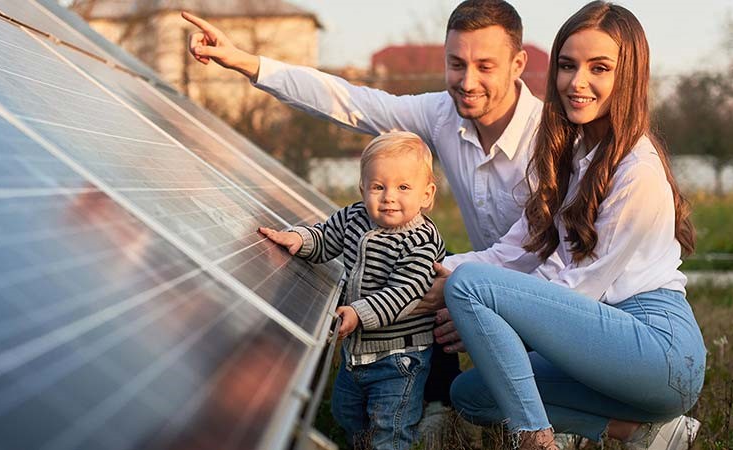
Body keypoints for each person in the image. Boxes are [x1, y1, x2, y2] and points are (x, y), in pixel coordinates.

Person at [183, 0, 545, 431]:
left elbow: (540, 248)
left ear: (518, 63)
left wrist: (460, 285)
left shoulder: (548, 137)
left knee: (434, 282)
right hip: (484, 280)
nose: (467, 81)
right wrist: (245, 62)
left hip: (558, 291)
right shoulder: (442, 115)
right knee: (423, 289)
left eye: (485, 66)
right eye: (456, 64)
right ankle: (430, 405)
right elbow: (350, 101)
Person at [421, 2, 707, 449]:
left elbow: (576, 289)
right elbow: (513, 252)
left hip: (658, 351)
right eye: (568, 65)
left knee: (472, 289)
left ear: (628, 76)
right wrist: (430, 273)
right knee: (473, 395)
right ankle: (642, 432)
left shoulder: (638, 172)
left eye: (599, 68)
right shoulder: (574, 156)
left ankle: (536, 440)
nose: (577, 82)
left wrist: (482, 307)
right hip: (602, 341)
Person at [258, 132, 446, 450]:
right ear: (363, 189)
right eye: (378, 187)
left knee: (390, 427)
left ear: (426, 194)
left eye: (403, 187)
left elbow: (404, 293)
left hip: (399, 358)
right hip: (356, 353)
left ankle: (407, 435)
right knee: (347, 413)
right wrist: (300, 240)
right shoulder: (355, 217)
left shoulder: (421, 241)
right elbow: (325, 237)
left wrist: (358, 312)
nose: (388, 197)